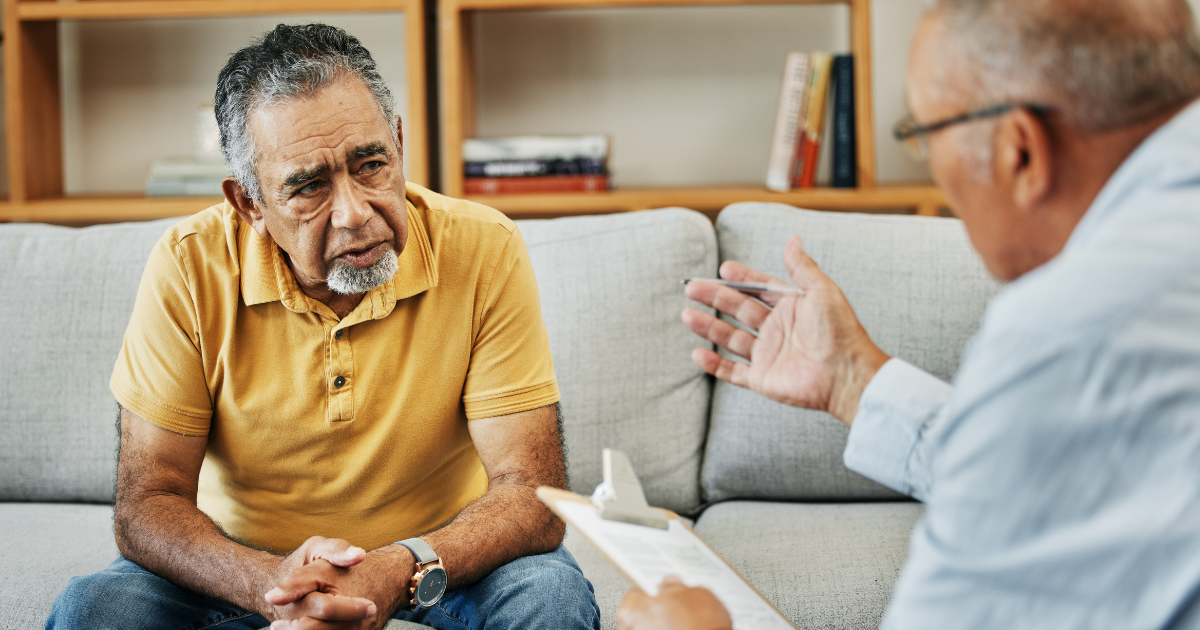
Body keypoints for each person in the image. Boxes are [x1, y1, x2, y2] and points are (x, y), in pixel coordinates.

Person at [618, 0, 1200, 628]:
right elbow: (1074, 479)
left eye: (923, 135)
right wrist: (851, 379)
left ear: (1019, 150)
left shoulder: (1067, 330)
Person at [46, 24, 600, 630]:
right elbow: (148, 504)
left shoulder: (484, 246)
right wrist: (272, 584)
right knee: (93, 611)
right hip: (244, 563)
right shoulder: (187, 264)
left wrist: (398, 566)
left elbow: (532, 496)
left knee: (550, 600)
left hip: (439, 560)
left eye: (370, 164)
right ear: (249, 204)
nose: (355, 212)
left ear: (398, 143)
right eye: (309, 186)